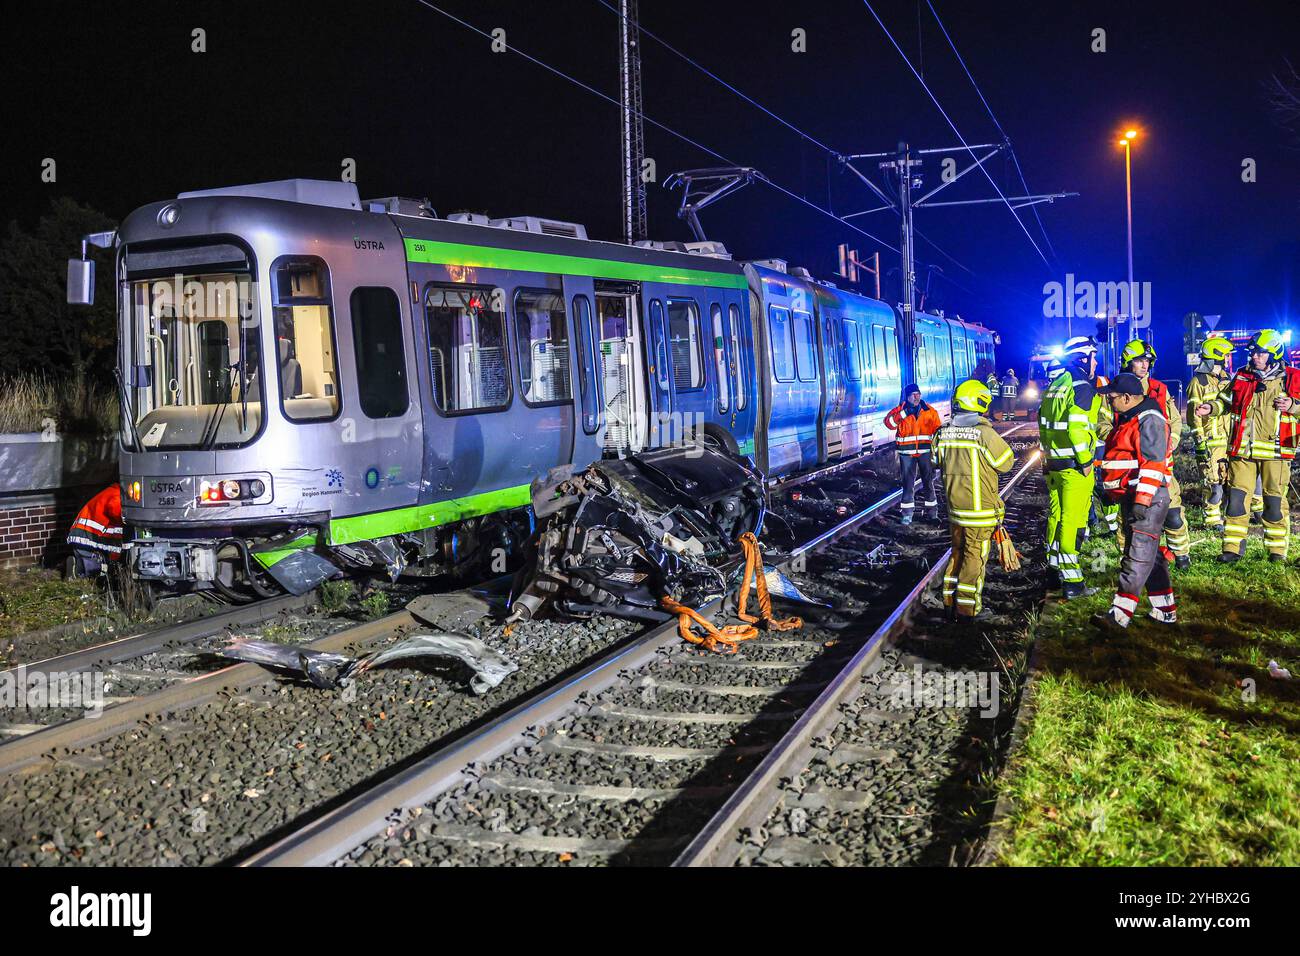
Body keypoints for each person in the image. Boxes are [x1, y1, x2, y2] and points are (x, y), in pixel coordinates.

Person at [1197, 329, 1300, 562]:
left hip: (1276, 453)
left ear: (1273, 354)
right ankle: (1232, 550)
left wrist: (1293, 405)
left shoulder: (1293, 378)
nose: (1254, 357)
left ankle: (1276, 552)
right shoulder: (1243, 376)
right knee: (1236, 501)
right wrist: (1211, 408)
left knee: (1273, 503)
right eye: (1253, 353)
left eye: (1260, 353)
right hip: (1242, 452)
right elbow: (1226, 401)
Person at [1094, 373, 1177, 631]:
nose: (1110, 403)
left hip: (1147, 498)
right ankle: (1165, 611)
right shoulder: (1132, 418)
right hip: (1134, 495)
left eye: (1112, 398)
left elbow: (1153, 464)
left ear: (1128, 398)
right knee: (1149, 556)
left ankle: (1119, 615)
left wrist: (1142, 500)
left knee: (1137, 555)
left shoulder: (1149, 420)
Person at [932, 379, 1014, 619]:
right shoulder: (984, 433)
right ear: (979, 402)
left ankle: (949, 600)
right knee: (974, 558)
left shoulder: (942, 432)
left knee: (957, 553)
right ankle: (968, 609)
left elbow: (935, 460)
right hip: (980, 513)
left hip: (955, 511)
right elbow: (1006, 463)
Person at [1037, 336, 1101, 599]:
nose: (1095, 362)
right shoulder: (1081, 386)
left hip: (1053, 464)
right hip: (1074, 468)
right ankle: (1073, 582)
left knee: (1056, 517)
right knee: (1072, 522)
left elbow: (1043, 422)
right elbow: (1076, 428)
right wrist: (1086, 461)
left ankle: (1053, 570)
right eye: (1093, 356)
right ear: (1082, 358)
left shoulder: (1056, 385)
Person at [1120, 339, 1191, 569]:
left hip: (1160, 465)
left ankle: (1181, 555)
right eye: (1140, 360)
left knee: (1172, 512)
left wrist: (1169, 444)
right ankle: (1133, 559)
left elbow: (1175, 421)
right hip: (1130, 466)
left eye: (1148, 361)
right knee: (1132, 516)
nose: (1144, 365)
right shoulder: (1116, 389)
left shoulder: (1159, 389)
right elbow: (1104, 425)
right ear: (1128, 362)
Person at [1185, 336, 1235, 530]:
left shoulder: (1225, 379)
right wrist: (1200, 441)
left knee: (1229, 480)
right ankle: (1212, 520)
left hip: (1228, 440)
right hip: (1210, 441)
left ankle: (1233, 515)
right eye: (1225, 357)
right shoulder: (1198, 382)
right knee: (1213, 482)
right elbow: (1193, 417)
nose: (1227, 361)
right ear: (1216, 358)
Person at [884, 383, 942, 524]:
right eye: (913, 395)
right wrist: (904, 413)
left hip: (925, 452)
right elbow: (889, 423)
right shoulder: (900, 410)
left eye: (918, 394)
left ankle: (932, 514)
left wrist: (939, 452)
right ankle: (907, 515)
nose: (916, 397)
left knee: (928, 482)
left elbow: (938, 431)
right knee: (908, 484)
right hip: (907, 453)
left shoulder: (929, 411)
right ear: (907, 397)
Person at [67, 484, 124, 577]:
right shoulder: (117, 495)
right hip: (88, 536)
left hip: (82, 534)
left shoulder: (112, 492)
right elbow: (117, 514)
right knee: (95, 565)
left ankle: (77, 567)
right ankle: (78, 569)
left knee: (88, 559)